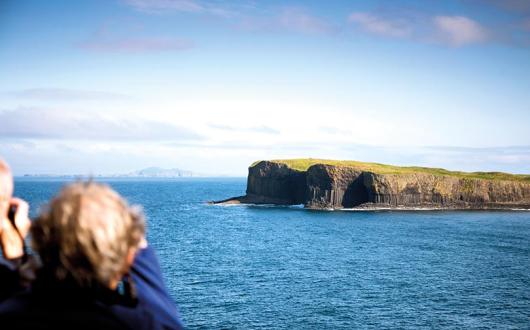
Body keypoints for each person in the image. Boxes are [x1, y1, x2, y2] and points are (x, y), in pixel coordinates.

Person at [0, 159, 184, 329]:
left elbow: (17, 292)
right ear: (127, 256)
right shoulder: (145, 323)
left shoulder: (10, 310)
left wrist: (14, 250)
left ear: (41, 241)